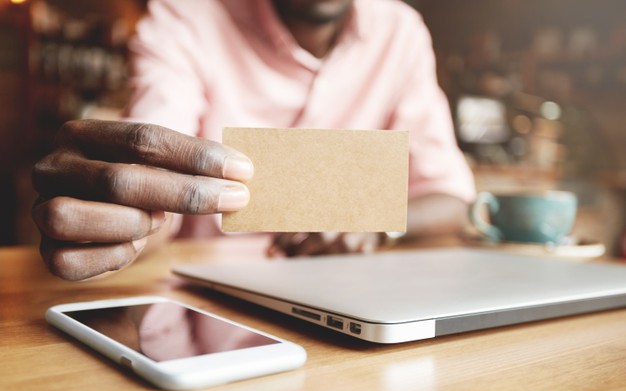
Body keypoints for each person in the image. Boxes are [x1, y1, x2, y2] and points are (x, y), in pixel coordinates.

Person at [31, 0, 476, 281]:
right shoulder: (184, 17)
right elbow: (151, 189)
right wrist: (122, 214)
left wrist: (380, 228)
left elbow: (452, 197)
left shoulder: (401, 31)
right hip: (205, 293)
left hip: (351, 283)